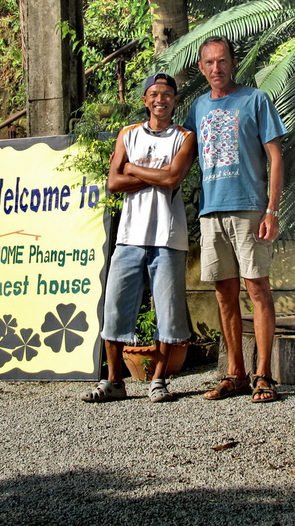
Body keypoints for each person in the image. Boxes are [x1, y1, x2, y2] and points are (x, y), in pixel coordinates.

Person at [81, 72, 196, 403]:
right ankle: (115, 380)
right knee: (115, 308)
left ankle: (158, 381)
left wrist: (133, 169)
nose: (160, 99)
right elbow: (112, 183)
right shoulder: (128, 134)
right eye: (154, 94)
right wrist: (155, 177)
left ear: (175, 100)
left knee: (169, 312)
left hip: (167, 237)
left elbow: (174, 178)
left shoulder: (185, 136)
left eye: (167, 94)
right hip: (130, 235)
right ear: (145, 100)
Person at [185, 36, 287, 403]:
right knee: (224, 295)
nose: (217, 68)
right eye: (209, 63)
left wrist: (272, 210)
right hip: (211, 211)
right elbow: (181, 154)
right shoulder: (196, 108)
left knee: (257, 289)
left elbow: (276, 157)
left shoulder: (256, 100)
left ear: (233, 62)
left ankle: (264, 375)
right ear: (201, 68)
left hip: (249, 208)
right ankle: (236, 374)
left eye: (222, 61)